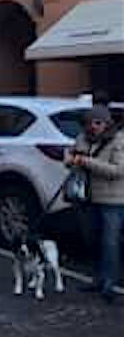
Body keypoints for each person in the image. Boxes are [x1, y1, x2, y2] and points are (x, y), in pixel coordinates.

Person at [67, 105, 124, 304]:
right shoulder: (83, 137)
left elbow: (117, 170)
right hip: (87, 197)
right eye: (90, 123)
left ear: (107, 123)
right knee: (92, 240)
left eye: (98, 123)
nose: (94, 127)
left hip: (113, 200)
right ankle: (97, 278)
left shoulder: (119, 140)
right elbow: (70, 153)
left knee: (110, 243)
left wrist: (85, 161)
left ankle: (109, 283)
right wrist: (70, 160)